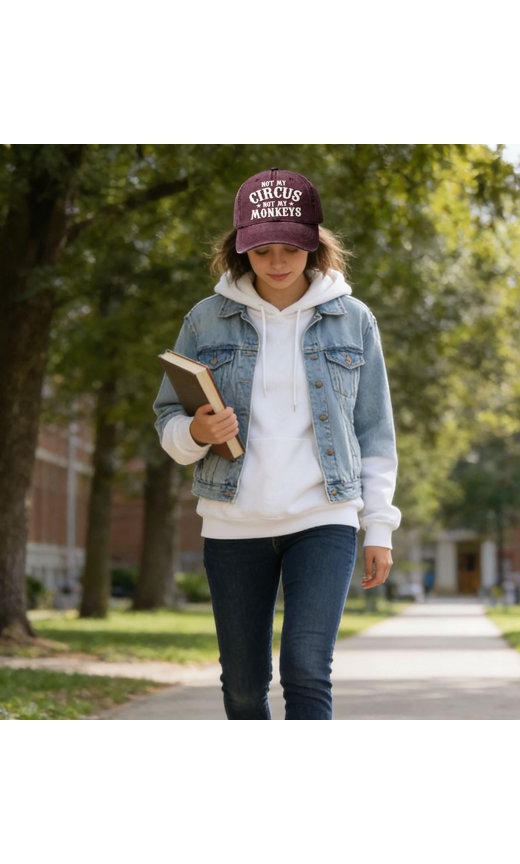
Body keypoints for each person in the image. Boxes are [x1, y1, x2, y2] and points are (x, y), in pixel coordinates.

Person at [154, 168, 401, 720]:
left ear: (315, 244)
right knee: (243, 684)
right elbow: (169, 415)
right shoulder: (205, 318)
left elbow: (375, 431)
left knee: (307, 669)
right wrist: (196, 432)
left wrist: (379, 527)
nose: (278, 261)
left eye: (291, 246)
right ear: (241, 251)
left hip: (324, 514)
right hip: (234, 521)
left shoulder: (353, 319)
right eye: (262, 249)